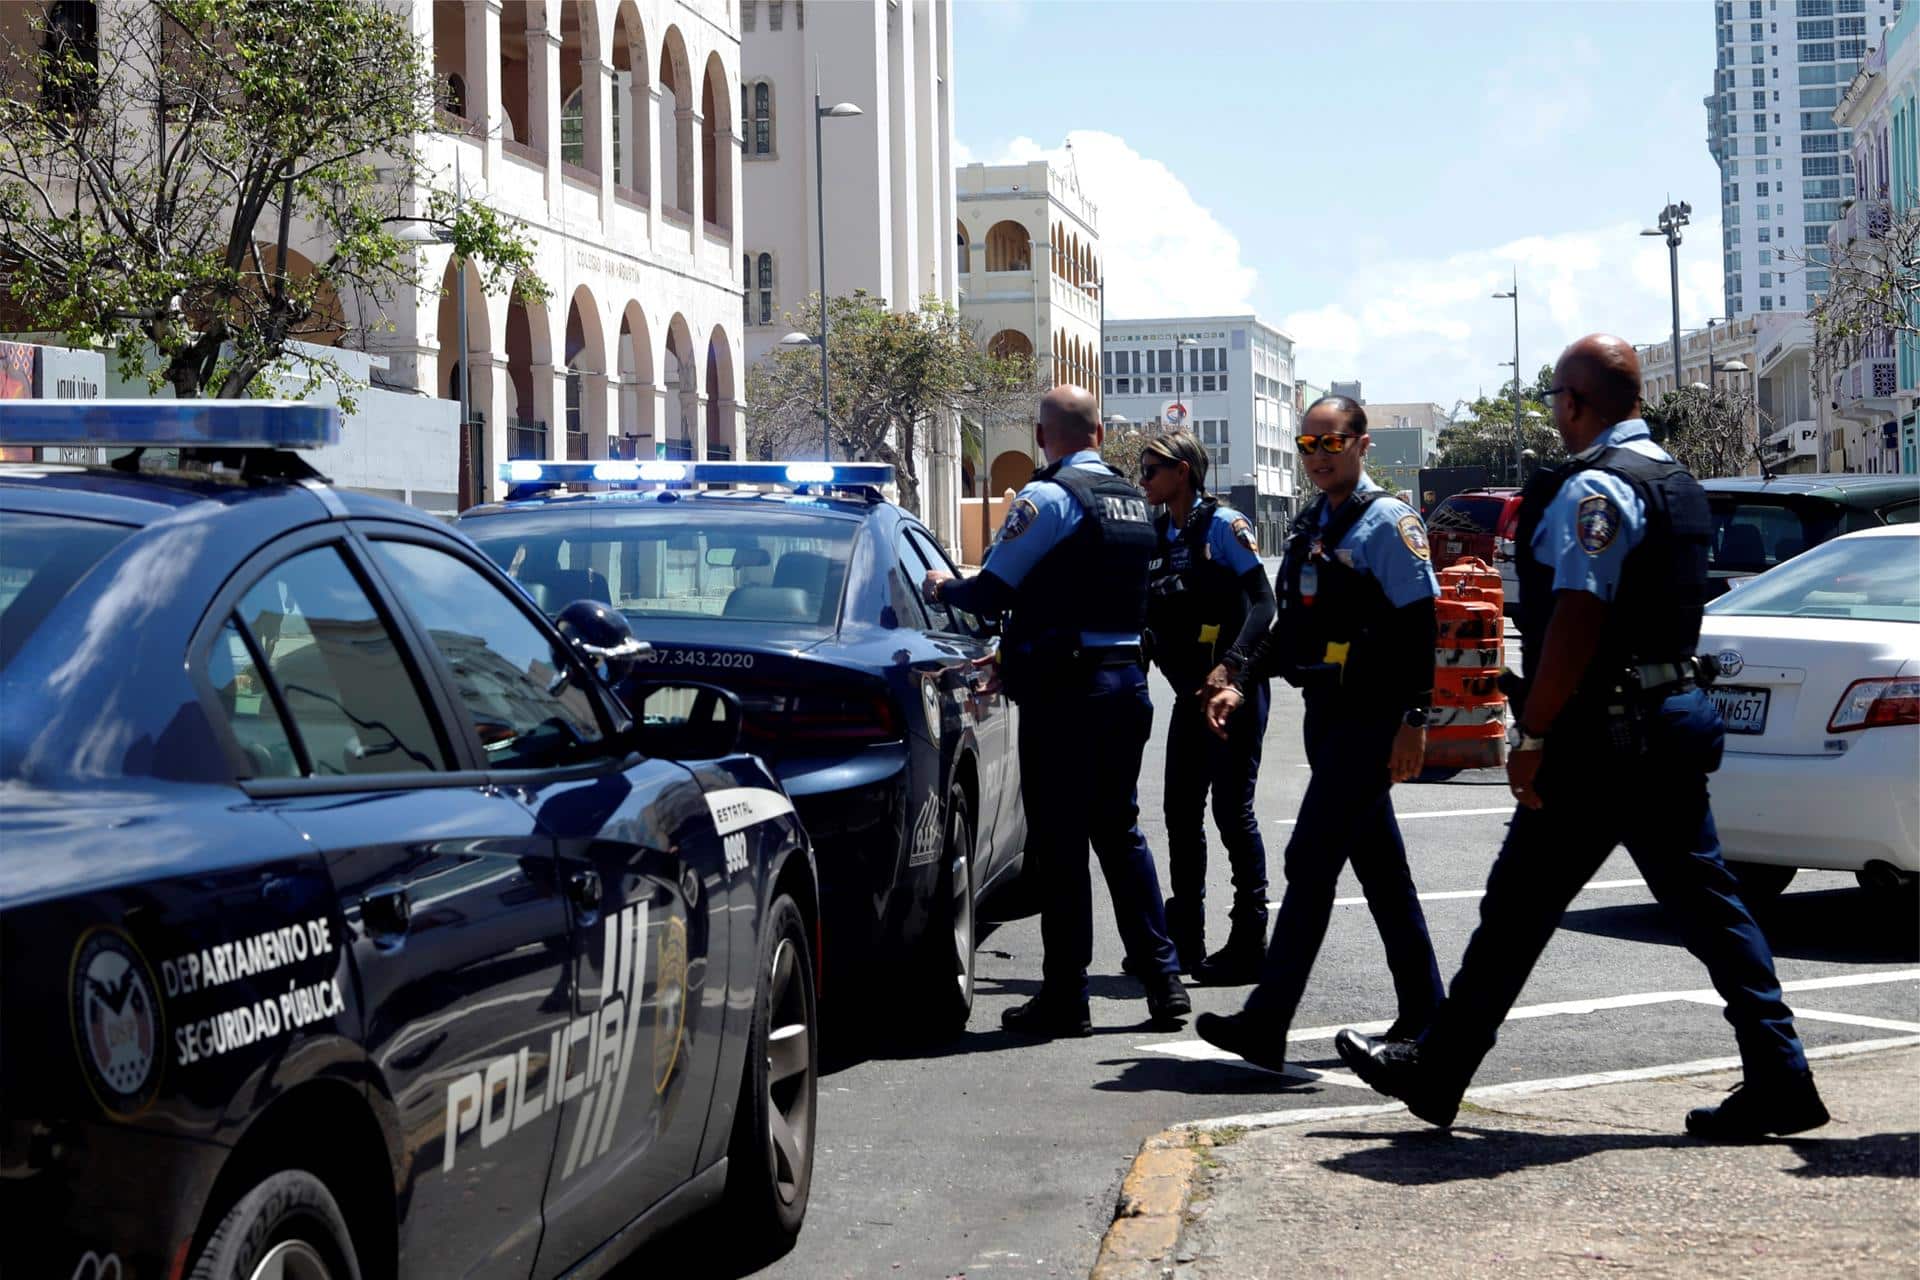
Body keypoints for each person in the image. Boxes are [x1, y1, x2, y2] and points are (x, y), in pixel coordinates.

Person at [1335, 335, 1827, 1139]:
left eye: (1556, 400)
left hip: (1604, 735)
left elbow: (1578, 616)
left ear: (1573, 402)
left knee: (1520, 905)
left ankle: (1440, 1067)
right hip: (1665, 718)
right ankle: (1781, 1073)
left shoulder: (1595, 488)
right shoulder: (1674, 478)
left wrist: (1532, 732)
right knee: (1707, 908)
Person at [921, 385, 1191, 1036]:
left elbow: (991, 593)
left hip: (1068, 696)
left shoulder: (1047, 497)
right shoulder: (1133, 501)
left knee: (1063, 844)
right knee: (1122, 835)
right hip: (1126, 684)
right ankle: (1164, 985)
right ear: (1100, 433)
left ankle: (1066, 997)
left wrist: (942, 586)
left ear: (1044, 438)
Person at [1191, 395, 1445, 1072]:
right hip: (1326, 718)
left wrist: (1415, 720)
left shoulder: (1388, 523)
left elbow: (1423, 627)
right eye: (1308, 444)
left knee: (1309, 862)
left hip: (1370, 720)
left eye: (1330, 444)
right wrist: (1239, 676)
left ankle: (1266, 1022)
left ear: (1363, 446)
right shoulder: (1309, 527)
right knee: (1384, 875)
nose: (1316, 457)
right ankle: (1429, 1014)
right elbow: (1290, 635)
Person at [1136, 431, 1276, 983]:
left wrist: (1232, 665)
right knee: (1178, 813)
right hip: (1189, 697)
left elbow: (1263, 604)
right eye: (1142, 470)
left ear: (1184, 472)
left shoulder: (1221, 525)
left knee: (1231, 815)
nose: (1144, 478)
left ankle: (1248, 940)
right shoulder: (1157, 533)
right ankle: (1185, 938)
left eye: (1153, 469)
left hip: (1232, 695)